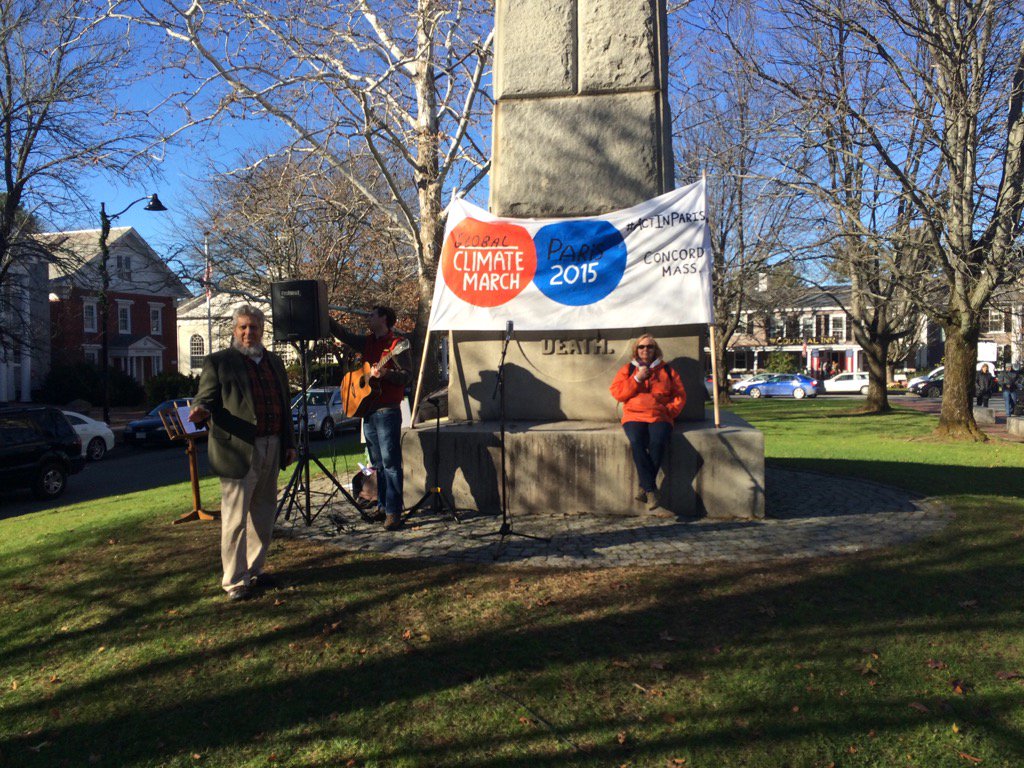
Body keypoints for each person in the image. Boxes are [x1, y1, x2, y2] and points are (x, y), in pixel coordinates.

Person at [189, 306, 297, 601]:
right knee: (235, 520)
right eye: (243, 328)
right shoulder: (219, 362)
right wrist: (201, 410)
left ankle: (254, 570)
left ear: (263, 331)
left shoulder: (274, 362)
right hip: (237, 450)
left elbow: (284, 406)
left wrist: (289, 443)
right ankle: (234, 581)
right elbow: (206, 397)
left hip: (272, 445)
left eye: (254, 328)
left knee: (262, 516)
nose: (249, 333)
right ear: (234, 330)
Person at [331, 306, 412, 531]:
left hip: (387, 410)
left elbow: (407, 376)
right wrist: (324, 319)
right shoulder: (367, 342)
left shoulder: (398, 344)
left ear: (384, 318)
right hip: (368, 409)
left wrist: (386, 374)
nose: (369, 317)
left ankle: (394, 511)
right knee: (377, 464)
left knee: (391, 463)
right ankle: (383, 506)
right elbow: (344, 335)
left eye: (373, 315)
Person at [609, 334, 686, 516]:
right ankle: (651, 489)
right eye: (642, 347)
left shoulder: (667, 370)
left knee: (657, 443)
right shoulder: (628, 369)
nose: (645, 350)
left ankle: (646, 488)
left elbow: (680, 394)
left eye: (649, 347)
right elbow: (618, 393)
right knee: (636, 442)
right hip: (634, 416)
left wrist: (670, 410)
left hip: (660, 416)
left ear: (655, 349)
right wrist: (636, 379)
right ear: (636, 350)